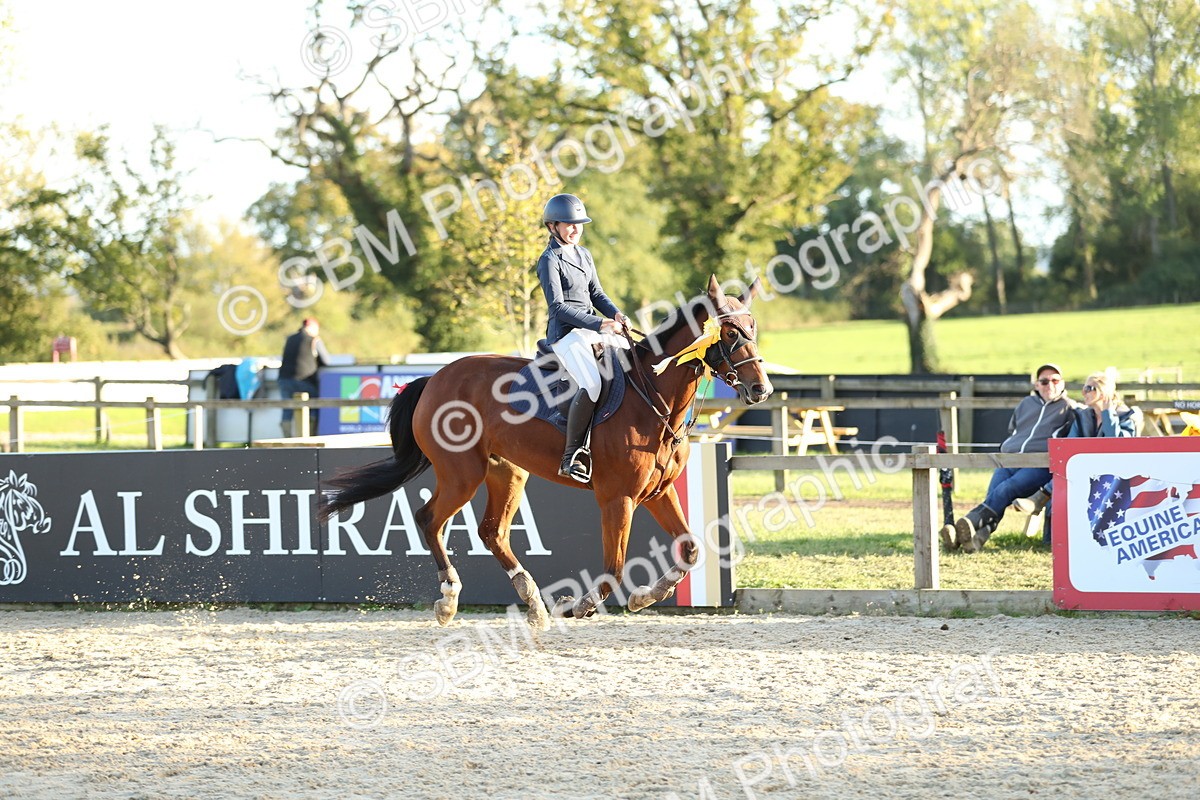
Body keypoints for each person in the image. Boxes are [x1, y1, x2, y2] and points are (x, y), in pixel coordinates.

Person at [535, 193, 630, 482]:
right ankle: (571, 455)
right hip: (565, 334)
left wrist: (616, 315)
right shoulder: (549, 260)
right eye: (568, 224)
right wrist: (601, 324)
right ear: (553, 227)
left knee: (633, 358)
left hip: (592, 328)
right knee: (591, 383)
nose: (575, 229)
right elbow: (558, 307)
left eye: (579, 224)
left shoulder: (584, 254)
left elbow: (597, 293)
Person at [950, 363, 1076, 553]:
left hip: (1039, 465)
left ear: (1062, 383)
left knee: (1004, 490)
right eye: (1044, 381)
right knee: (994, 493)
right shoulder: (1026, 404)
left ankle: (968, 523)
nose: (1049, 384)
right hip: (1010, 460)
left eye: (1055, 380)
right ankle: (974, 539)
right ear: (1036, 385)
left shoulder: (1070, 408)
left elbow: (1088, 418)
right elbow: (1013, 429)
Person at [1011, 370, 1141, 542]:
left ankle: (1040, 497)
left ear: (1103, 392)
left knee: (1066, 481)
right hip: (1083, 472)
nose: (1084, 393)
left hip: (1114, 474)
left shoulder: (1126, 416)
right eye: (1084, 388)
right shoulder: (1083, 417)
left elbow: (1119, 446)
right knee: (1063, 480)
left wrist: (1108, 415)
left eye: (1089, 388)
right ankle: (1052, 541)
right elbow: (1069, 448)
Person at [279, 317, 331, 436]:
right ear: (313, 328)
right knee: (311, 408)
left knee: (287, 409)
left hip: (284, 379)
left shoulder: (289, 339)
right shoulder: (314, 340)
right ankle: (309, 438)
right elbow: (327, 361)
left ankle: (287, 439)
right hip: (305, 379)